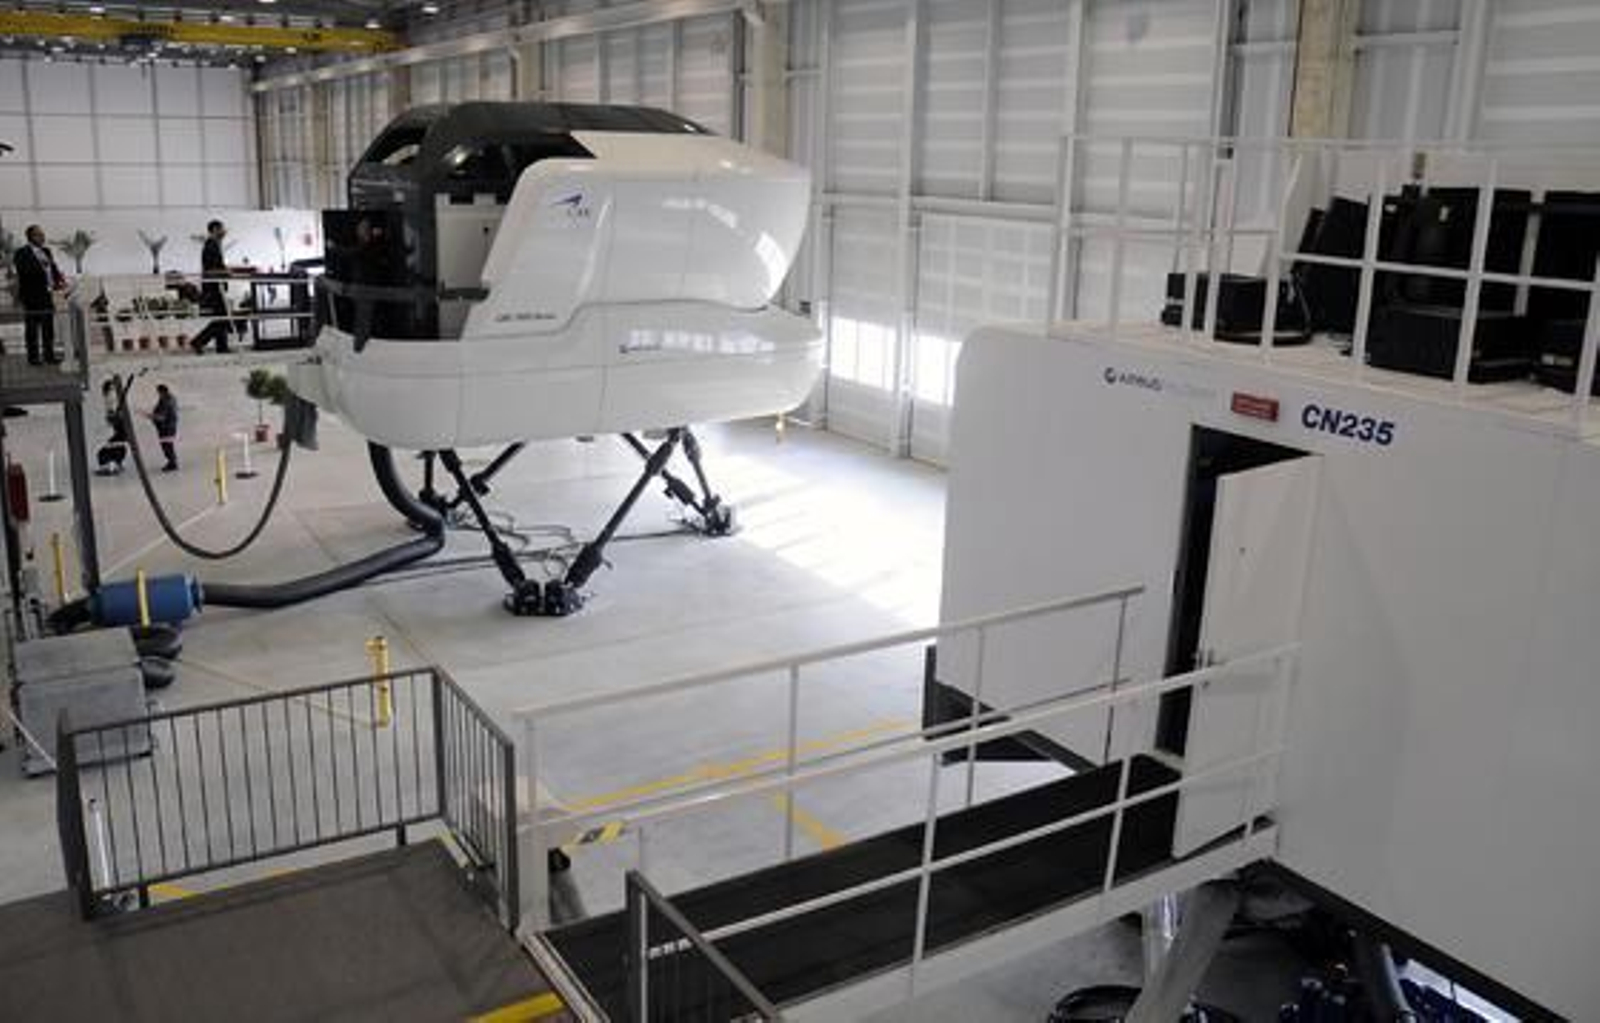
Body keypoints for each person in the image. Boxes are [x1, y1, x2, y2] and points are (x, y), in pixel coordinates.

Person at [12, 225, 67, 364]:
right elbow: (24, 272)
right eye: (39, 235)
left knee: (48, 327)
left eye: (42, 234)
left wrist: (59, 279)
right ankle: (33, 357)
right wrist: (41, 267)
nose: (42, 237)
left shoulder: (46, 251)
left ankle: (49, 356)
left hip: (47, 294)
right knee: (32, 328)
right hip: (31, 295)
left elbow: (52, 268)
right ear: (30, 237)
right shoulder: (21, 253)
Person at [190, 219, 234, 354]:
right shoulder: (210, 245)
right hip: (214, 288)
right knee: (222, 319)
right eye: (222, 229)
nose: (224, 231)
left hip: (215, 286)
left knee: (221, 317)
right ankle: (198, 341)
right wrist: (226, 272)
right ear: (215, 229)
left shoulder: (214, 244)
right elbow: (209, 270)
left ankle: (222, 347)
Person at [95, 380, 129, 476]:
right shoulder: (110, 398)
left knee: (107, 450)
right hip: (119, 428)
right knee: (118, 446)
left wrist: (113, 417)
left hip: (120, 428)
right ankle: (116, 464)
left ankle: (111, 465)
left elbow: (113, 412)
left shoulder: (110, 398)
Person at [146, 383, 179, 472]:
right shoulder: (170, 398)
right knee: (168, 445)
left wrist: (152, 416)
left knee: (167, 445)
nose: (158, 394)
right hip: (169, 427)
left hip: (166, 428)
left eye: (158, 392)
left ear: (162, 392)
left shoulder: (166, 401)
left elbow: (162, 417)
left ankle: (172, 463)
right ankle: (172, 461)